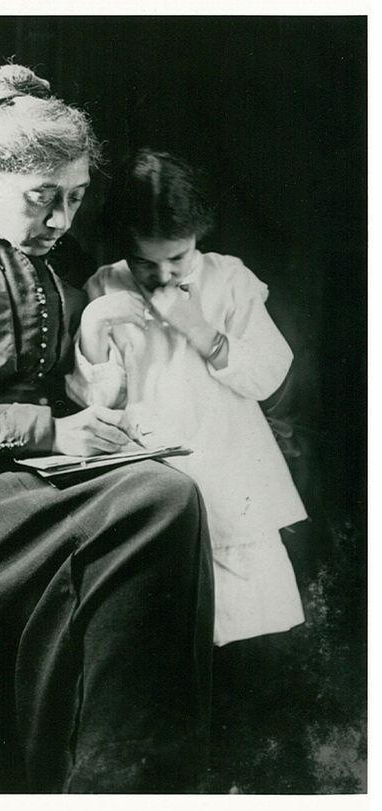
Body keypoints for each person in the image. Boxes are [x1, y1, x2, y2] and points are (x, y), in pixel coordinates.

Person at [0, 65, 211, 791]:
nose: (61, 221)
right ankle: (94, 777)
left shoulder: (53, 259)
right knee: (149, 504)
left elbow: (65, 378)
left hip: (27, 472)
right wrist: (53, 434)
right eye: (42, 199)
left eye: (75, 199)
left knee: (171, 493)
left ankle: (132, 771)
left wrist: (101, 403)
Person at [69, 149, 306, 647]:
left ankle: (244, 693)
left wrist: (205, 334)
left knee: (244, 618)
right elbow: (95, 400)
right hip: (151, 473)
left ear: (198, 236)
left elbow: (267, 374)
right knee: (162, 620)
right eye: (143, 261)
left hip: (228, 466)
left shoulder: (228, 281)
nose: (161, 274)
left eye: (177, 257)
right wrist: (94, 328)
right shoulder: (106, 286)